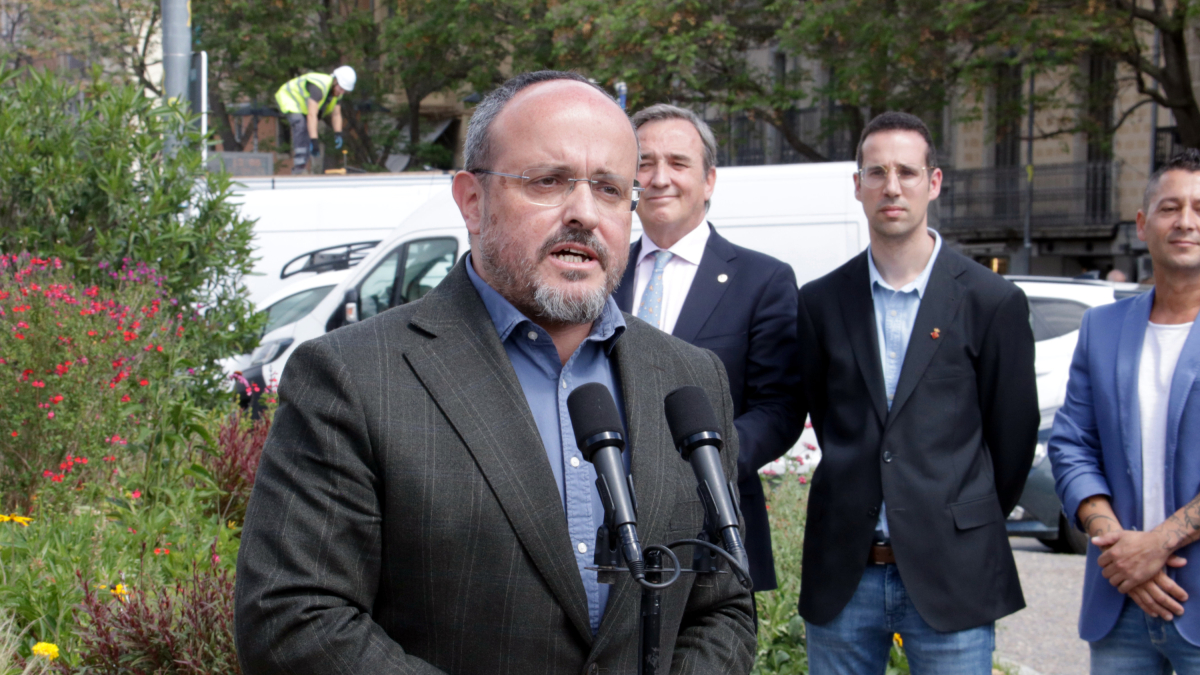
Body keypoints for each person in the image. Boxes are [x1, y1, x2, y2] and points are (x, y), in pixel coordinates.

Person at [235, 70, 756, 674]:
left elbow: (723, 606)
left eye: (611, 189)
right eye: (549, 181)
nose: (585, 213)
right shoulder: (353, 377)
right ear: (472, 201)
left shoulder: (688, 379)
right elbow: (293, 619)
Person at [794, 111, 1039, 674]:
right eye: (876, 172)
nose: (892, 186)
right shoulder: (821, 303)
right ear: (857, 185)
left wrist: (956, 518)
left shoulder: (990, 301)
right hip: (845, 574)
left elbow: (1012, 439)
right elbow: (830, 421)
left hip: (954, 571)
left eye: (907, 171)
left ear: (934, 182)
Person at [613, 104, 803, 599]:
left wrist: (702, 464)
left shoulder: (762, 281)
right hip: (611, 531)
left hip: (714, 534)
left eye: (678, 163)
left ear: (709, 179)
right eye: (645, 164)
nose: (660, 178)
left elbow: (779, 408)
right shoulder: (600, 276)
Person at [1049, 148, 1200, 673]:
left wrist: (1155, 546)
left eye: (1199, 209)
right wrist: (1118, 545)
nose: (1185, 222)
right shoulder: (1103, 327)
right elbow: (1071, 445)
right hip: (1119, 606)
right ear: (1142, 224)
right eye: (1169, 208)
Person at [274, 65, 355, 175]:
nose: (341, 92)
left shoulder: (337, 93)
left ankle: (303, 166)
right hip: (289, 97)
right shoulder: (319, 87)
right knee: (300, 124)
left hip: (302, 105)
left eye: (344, 90)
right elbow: (312, 115)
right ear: (335, 81)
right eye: (340, 88)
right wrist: (314, 140)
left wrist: (338, 133)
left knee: (307, 128)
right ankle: (299, 168)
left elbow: (336, 114)